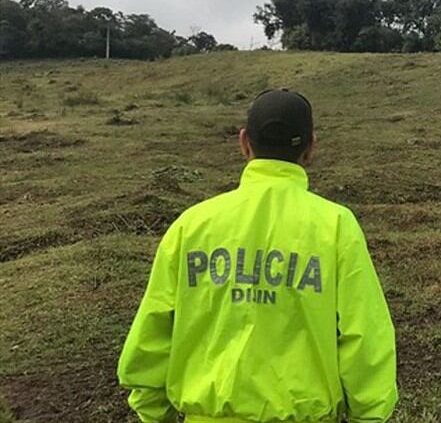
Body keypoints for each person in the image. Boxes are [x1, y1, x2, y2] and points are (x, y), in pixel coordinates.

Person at [117, 89, 398, 423]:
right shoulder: (336, 227)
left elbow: (154, 328)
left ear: (244, 143)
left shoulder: (192, 225)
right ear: (310, 148)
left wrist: (153, 412)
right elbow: (363, 337)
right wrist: (369, 415)